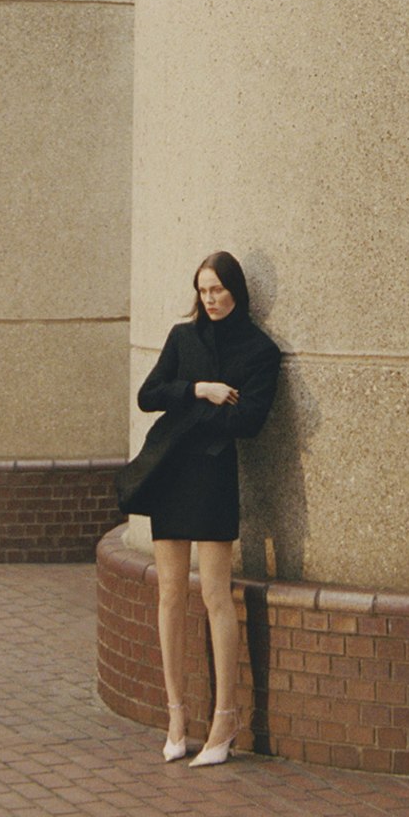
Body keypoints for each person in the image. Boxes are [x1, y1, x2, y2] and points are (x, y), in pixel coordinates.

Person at [115, 251, 281, 767]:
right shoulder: (183, 338)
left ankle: (226, 719)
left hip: (212, 478)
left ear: (237, 291)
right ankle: (177, 716)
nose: (210, 299)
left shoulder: (260, 350)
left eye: (218, 290)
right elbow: (148, 395)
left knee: (214, 596)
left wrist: (192, 414)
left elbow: (250, 422)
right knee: (169, 594)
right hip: (171, 477)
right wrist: (200, 391)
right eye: (203, 290)